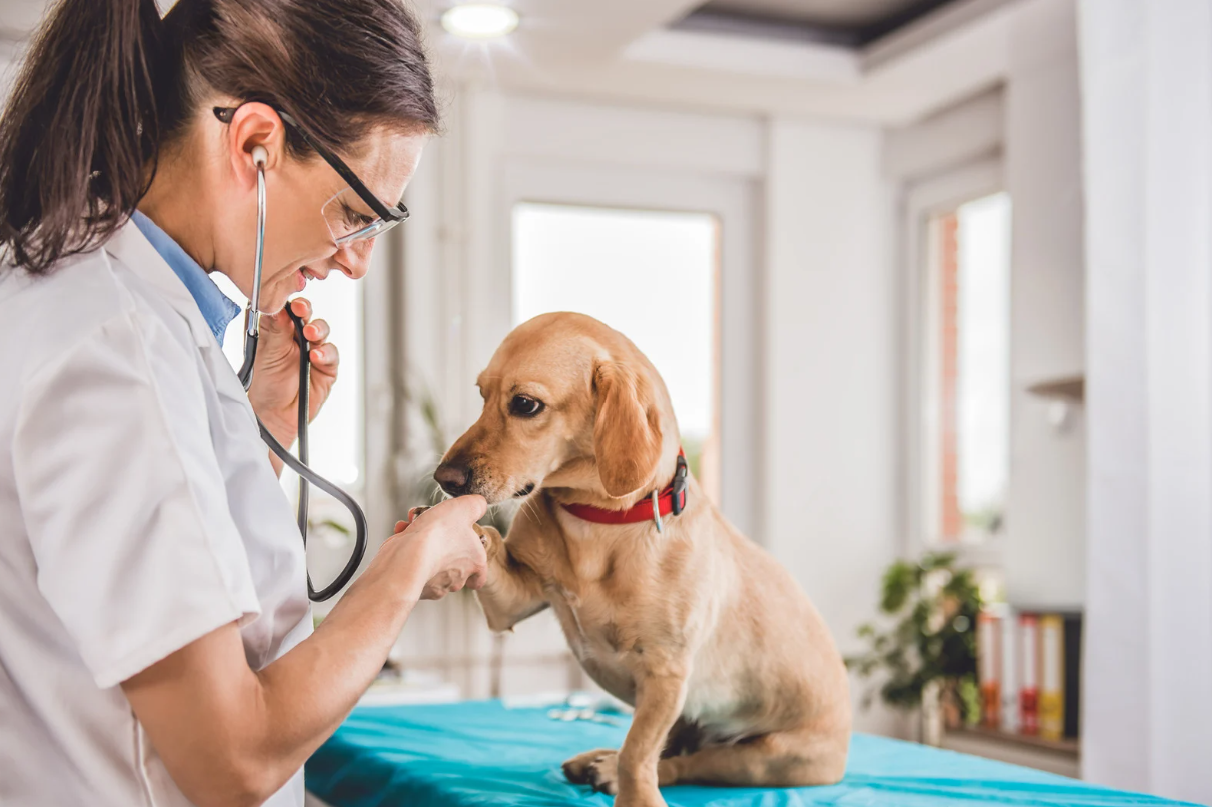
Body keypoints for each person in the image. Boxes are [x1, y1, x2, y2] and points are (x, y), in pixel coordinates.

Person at [0, 1, 488, 805]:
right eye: (355, 214)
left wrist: (260, 425)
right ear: (255, 143)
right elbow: (229, 757)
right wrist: (407, 566)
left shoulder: (101, 301)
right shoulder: (114, 350)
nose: (356, 262)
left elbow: (142, 558)